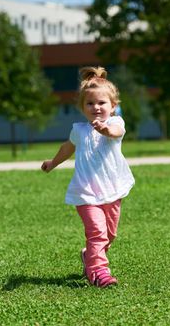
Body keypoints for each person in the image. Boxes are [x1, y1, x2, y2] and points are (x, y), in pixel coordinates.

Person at [41, 66, 135, 288]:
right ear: (82, 107)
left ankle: (89, 256)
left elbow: (116, 134)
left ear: (113, 106)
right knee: (97, 233)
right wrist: (53, 163)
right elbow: (67, 148)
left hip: (112, 189)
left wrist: (104, 130)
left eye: (102, 103)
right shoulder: (79, 130)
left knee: (110, 235)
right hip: (86, 191)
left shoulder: (115, 124)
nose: (96, 107)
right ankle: (98, 272)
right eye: (90, 104)